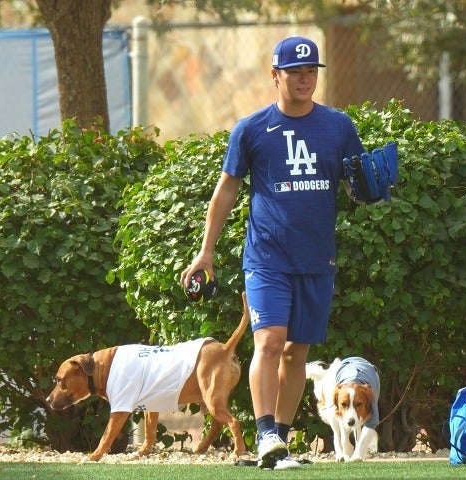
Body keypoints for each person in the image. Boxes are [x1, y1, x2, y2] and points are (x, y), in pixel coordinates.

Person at [180, 35, 366, 469]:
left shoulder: (339, 126)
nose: (305, 79)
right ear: (275, 75)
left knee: (296, 351)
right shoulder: (251, 130)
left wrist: (368, 188)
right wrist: (205, 252)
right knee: (268, 340)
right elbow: (226, 192)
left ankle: (278, 441)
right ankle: (265, 434)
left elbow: (355, 185)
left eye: (311, 71)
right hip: (266, 257)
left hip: (317, 257)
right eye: (295, 71)